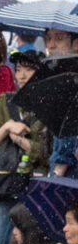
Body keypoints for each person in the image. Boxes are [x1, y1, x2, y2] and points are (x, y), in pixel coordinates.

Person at [0, 48, 48, 244]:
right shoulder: (3, 102)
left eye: (29, 69)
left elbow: (46, 154)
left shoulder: (48, 106)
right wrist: (7, 127)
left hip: (34, 185)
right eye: (18, 69)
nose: (22, 75)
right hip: (3, 183)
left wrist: (19, 140)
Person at [42, 28, 78, 179]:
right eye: (48, 38)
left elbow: (67, 132)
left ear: (76, 43)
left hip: (68, 176)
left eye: (59, 38)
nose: (51, 45)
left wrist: (58, 171)